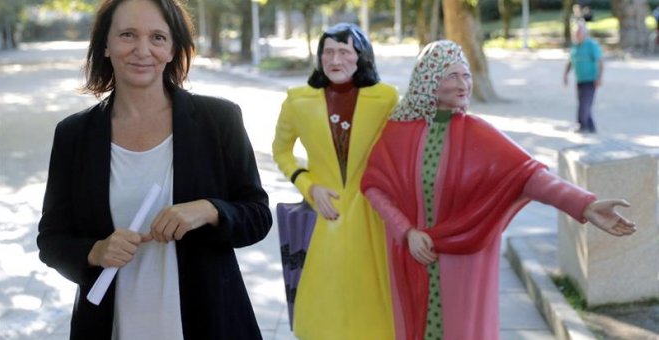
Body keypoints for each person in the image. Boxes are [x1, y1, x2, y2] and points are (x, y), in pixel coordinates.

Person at [361, 40, 636, 340]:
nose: (463, 84)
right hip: (411, 257)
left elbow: (531, 176)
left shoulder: (479, 133)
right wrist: (406, 232)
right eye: (452, 76)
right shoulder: (398, 131)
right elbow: (375, 186)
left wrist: (584, 205)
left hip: (463, 262)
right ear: (429, 80)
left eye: (465, 75)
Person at [36, 0, 272, 339]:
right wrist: (96, 251)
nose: (142, 50)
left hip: (208, 321)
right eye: (128, 35)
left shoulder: (218, 120)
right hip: (112, 325)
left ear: (174, 48)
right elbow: (52, 239)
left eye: (158, 37)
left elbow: (258, 216)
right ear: (106, 44)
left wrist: (209, 210)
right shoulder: (74, 135)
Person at [272, 23, 398, 339]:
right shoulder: (298, 100)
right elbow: (281, 151)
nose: (335, 60)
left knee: (372, 300)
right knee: (323, 300)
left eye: (344, 51)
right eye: (328, 52)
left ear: (361, 56)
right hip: (324, 215)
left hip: (372, 216)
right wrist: (308, 185)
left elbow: (401, 151)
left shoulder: (386, 99)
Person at [563, 22, 603, 133]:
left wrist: (599, 78)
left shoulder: (591, 45)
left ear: (585, 33)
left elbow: (600, 62)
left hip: (590, 80)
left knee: (584, 104)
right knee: (583, 103)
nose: (577, 35)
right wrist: (565, 75)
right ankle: (591, 127)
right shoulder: (575, 46)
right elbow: (570, 62)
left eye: (579, 33)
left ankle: (582, 126)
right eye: (575, 33)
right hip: (579, 79)